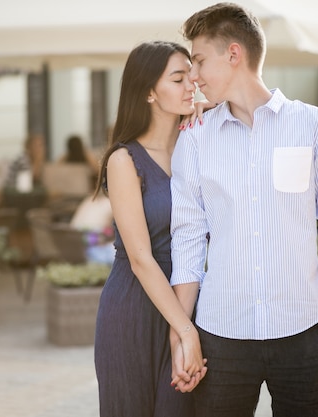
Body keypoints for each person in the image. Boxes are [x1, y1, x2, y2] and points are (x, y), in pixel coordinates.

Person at [169, 3, 318, 416]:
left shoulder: (316, 126)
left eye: (199, 60)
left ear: (233, 54)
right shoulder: (195, 139)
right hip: (221, 336)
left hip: (305, 334)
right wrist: (184, 335)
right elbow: (187, 242)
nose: (194, 76)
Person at [94, 40, 208, 417]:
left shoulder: (200, 144)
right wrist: (185, 330)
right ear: (147, 92)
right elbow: (141, 258)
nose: (191, 85)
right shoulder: (124, 160)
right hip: (135, 309)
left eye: (191, 77)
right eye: (178, 79)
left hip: (191, 298)